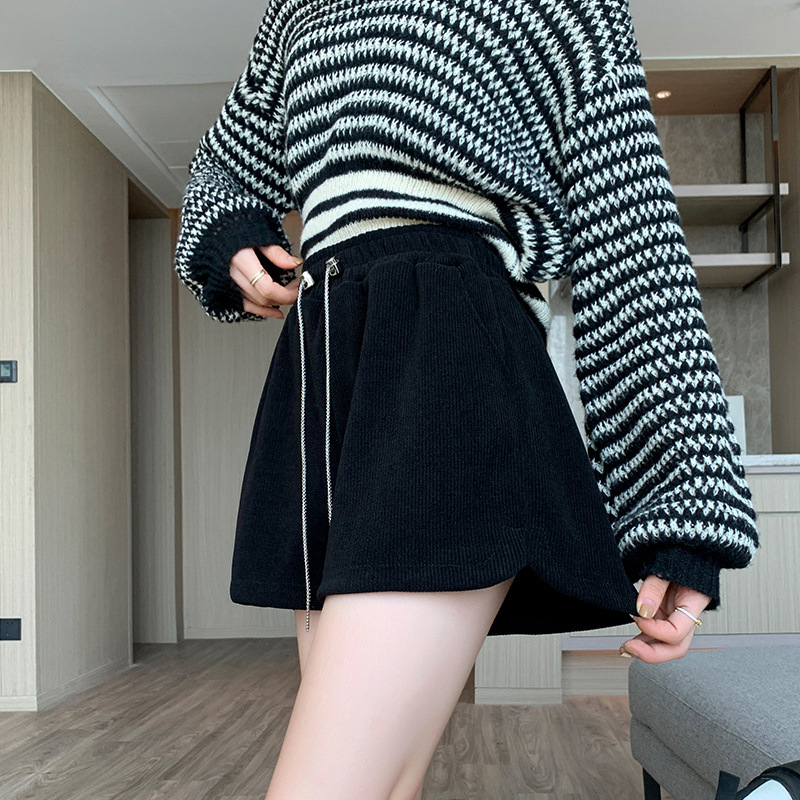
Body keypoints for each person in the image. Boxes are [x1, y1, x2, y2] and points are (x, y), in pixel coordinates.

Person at [173, 1, 761, 797]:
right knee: (379, 782)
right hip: (325, 364)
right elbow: (222, 166)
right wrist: (226, 233)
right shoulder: (298, 10)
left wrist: (684, 505)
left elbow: (634, 245)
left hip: (451, 350)